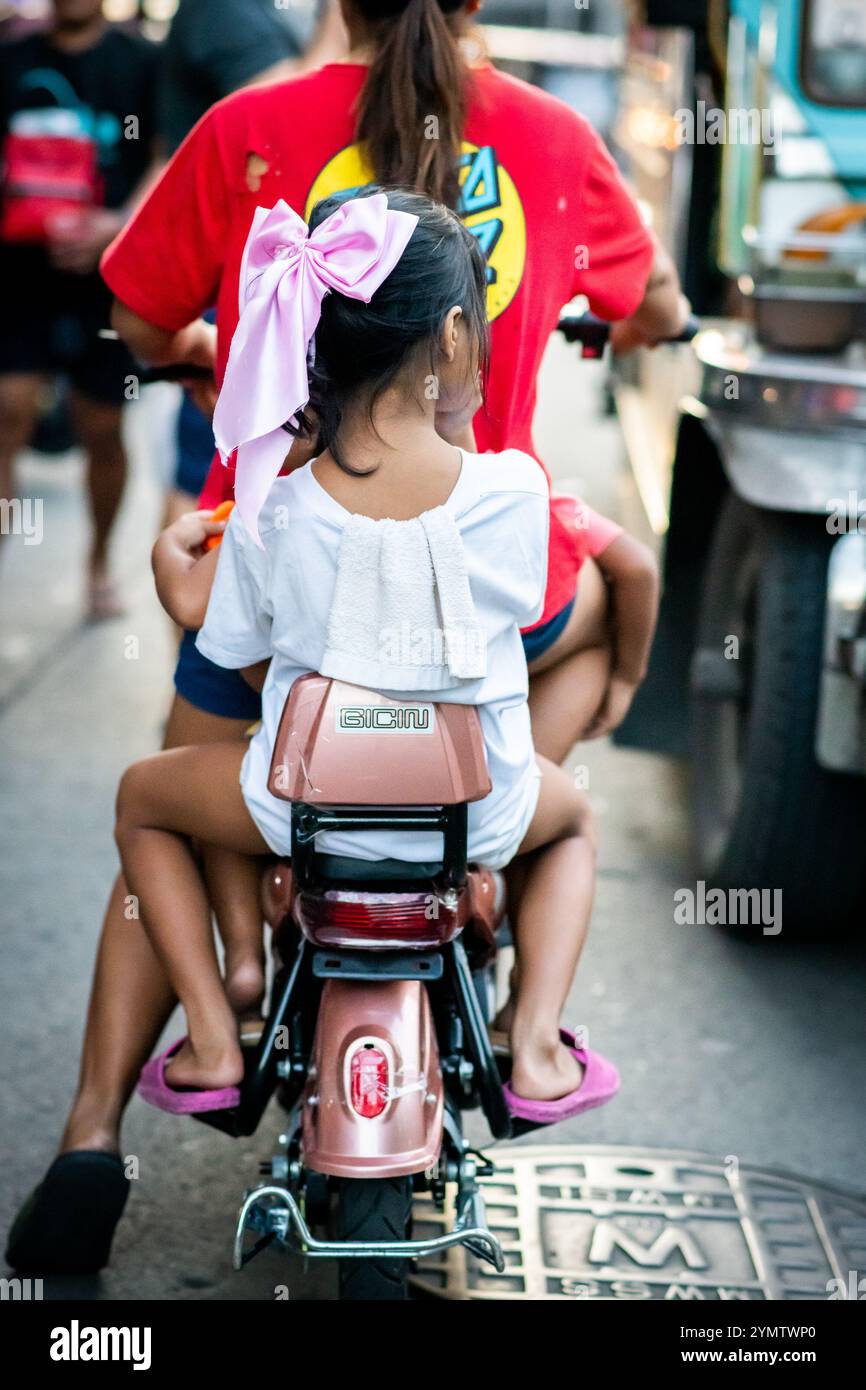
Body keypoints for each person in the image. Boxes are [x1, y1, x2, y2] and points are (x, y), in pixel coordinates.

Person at [6, 0, 684, 1275]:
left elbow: (141, 324)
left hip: (274, 591)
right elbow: (648, 301)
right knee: (589, 627)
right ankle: (493, 932)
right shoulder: (548, 141)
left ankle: (108, 1116)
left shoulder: (247, 127)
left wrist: (221, 351)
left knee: (180, 776)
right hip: (490, 610)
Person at [0, 0, 159, 618]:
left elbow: (162, 155)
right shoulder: (12, 57)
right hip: (17, 281)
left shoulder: (141, 62)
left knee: (102, 429)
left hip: (103, 285)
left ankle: (97, 561)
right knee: (7, 416)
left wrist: (114, 228)